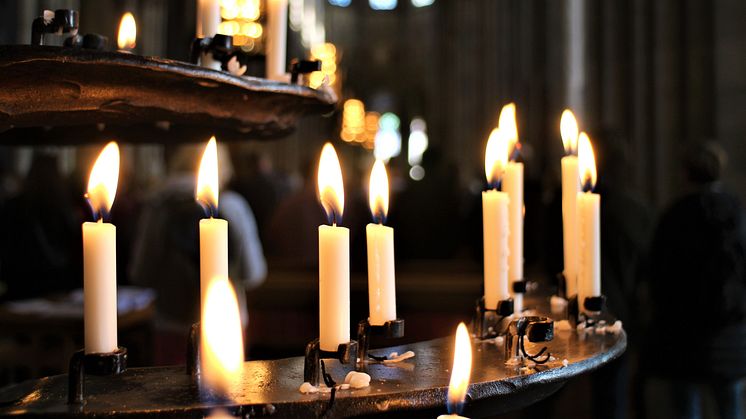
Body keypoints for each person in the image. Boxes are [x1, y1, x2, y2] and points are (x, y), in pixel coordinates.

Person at [130, 144, 266, 364]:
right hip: (226, 323)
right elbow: (254, 273)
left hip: (171, 323)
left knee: (171, 393)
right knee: (229, 393)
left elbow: (141, 273)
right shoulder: (233, 206)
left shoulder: (158, 207)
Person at [646, 141, 746, 419]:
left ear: (685, 173)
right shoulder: (736, 212)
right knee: (730, 406)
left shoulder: (675, 215)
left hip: (684, 333)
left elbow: (659, 275)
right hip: (729, 333)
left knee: (687, 407)